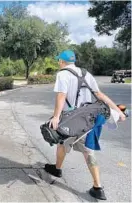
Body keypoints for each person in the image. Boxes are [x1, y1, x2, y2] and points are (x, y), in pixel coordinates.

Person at [46, 50, 126, 200]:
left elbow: (61, 96)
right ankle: (61, 171)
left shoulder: (62, 74)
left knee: (73, 146)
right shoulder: (86, 74)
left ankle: (93, 185)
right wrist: (118, 111)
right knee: (76, 148)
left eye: (59, 61)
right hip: (88, 118)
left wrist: (56, 117)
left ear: (62, 62)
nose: (58, 63)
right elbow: (100, 95)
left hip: (70, 120)